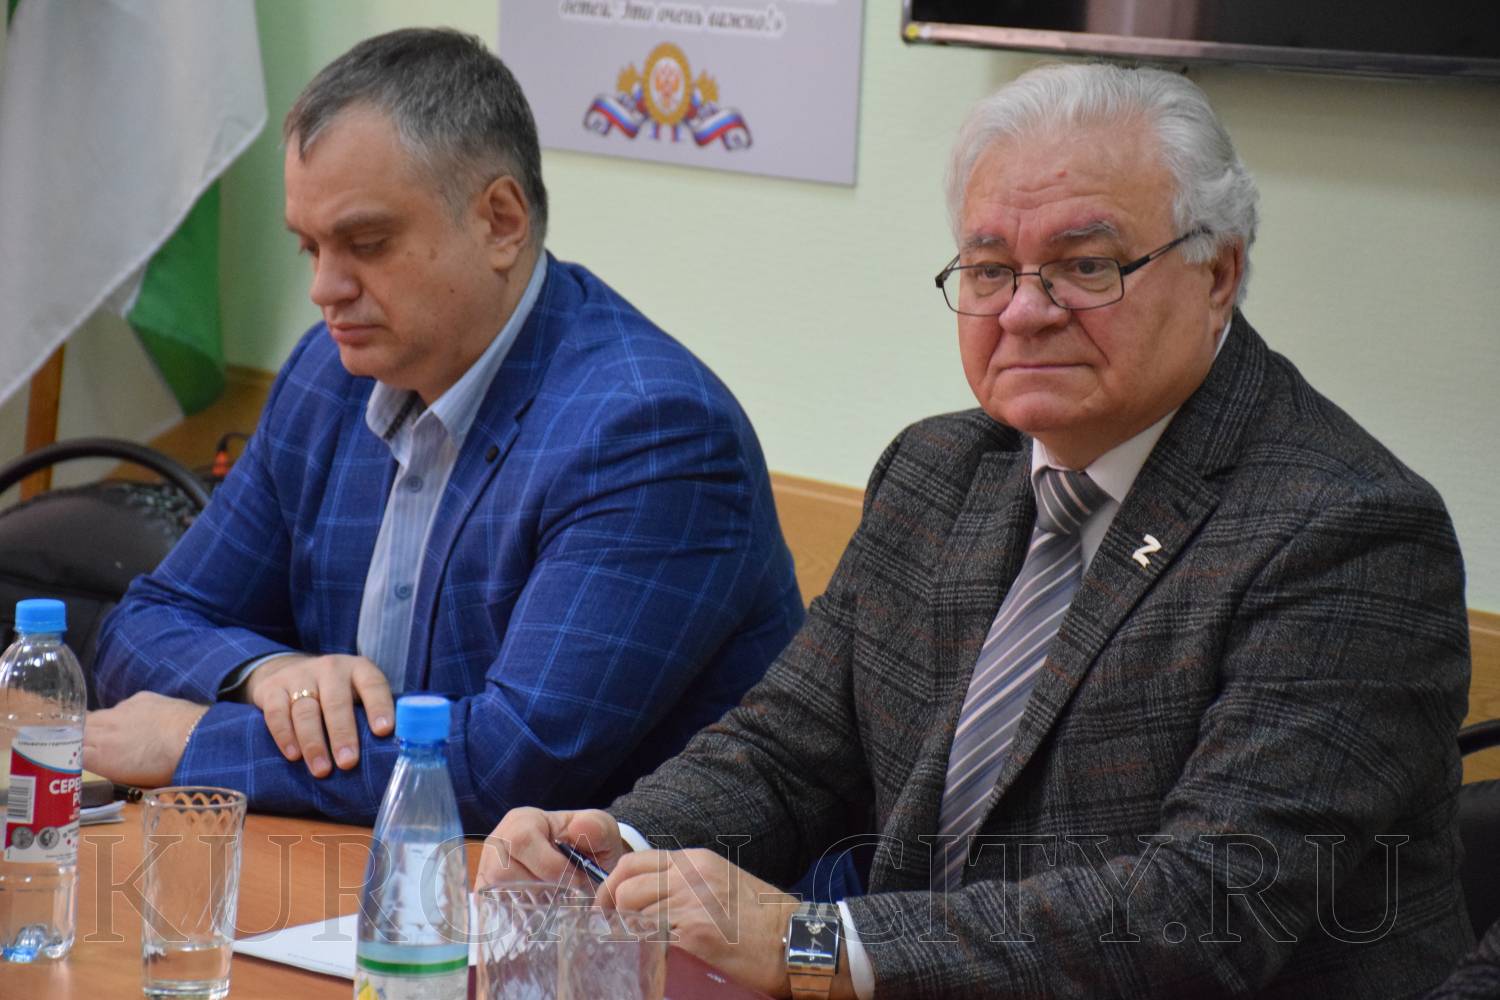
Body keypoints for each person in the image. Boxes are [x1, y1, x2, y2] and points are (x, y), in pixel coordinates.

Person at [479, 63, 1473, 998]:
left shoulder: (1348, 533)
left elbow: (1204, 910)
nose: (1027, 311)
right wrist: (621, 844)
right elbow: (787, 752)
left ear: (1218, 273)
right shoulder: (939, 471)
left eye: (1085, 265)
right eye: (991, 269)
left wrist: (813, 943)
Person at [83, 28, 803, 833]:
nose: (324, 288)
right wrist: (267, 674)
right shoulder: (328, 376)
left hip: (612, 898)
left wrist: (196, 741)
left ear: (501, 222)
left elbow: (509, 765)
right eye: (309, 247)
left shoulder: (651, 432)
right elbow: (145, 624)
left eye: (366, 244)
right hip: (362, 869)